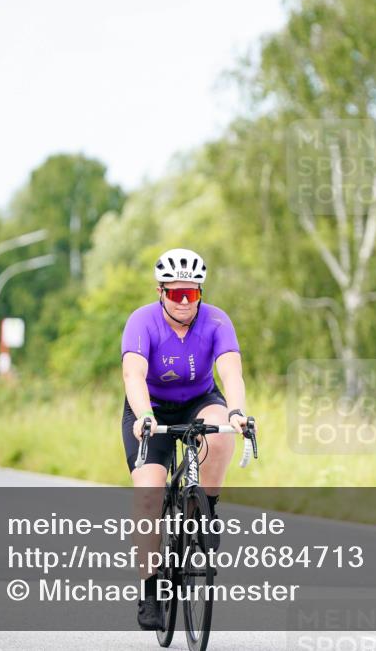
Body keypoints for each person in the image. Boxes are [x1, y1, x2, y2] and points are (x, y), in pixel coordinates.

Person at [120, 248, 254, 630]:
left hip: (199, 401)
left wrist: (238, 412)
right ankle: (149, 588)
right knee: (148, 495)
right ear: (161, 292)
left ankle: (206, 509)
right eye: (176, 293)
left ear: (200, 293)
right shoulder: (141, 321)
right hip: (150, 408)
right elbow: (133, 375)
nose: (183, 302)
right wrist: (145, 416)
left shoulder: (216, 321)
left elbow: (232, 374)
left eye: (191, 294)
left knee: (220, 431)